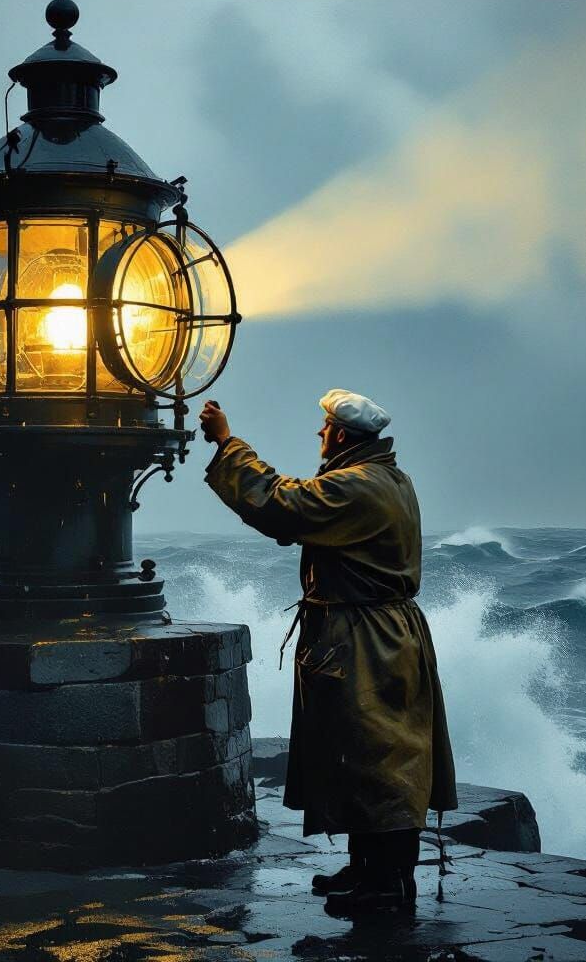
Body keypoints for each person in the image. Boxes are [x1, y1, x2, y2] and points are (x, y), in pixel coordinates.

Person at [199, 390, 457, 915]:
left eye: (323, 429)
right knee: (368, 754)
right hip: (381, 631)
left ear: (340, 435)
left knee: (382, 759)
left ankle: (385, 885)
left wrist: (228, 444)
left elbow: (282, 504)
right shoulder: (387, 479)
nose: (319, 435)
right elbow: (301, 505)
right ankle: (369, 868)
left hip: (369, 640)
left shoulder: (359, 487)